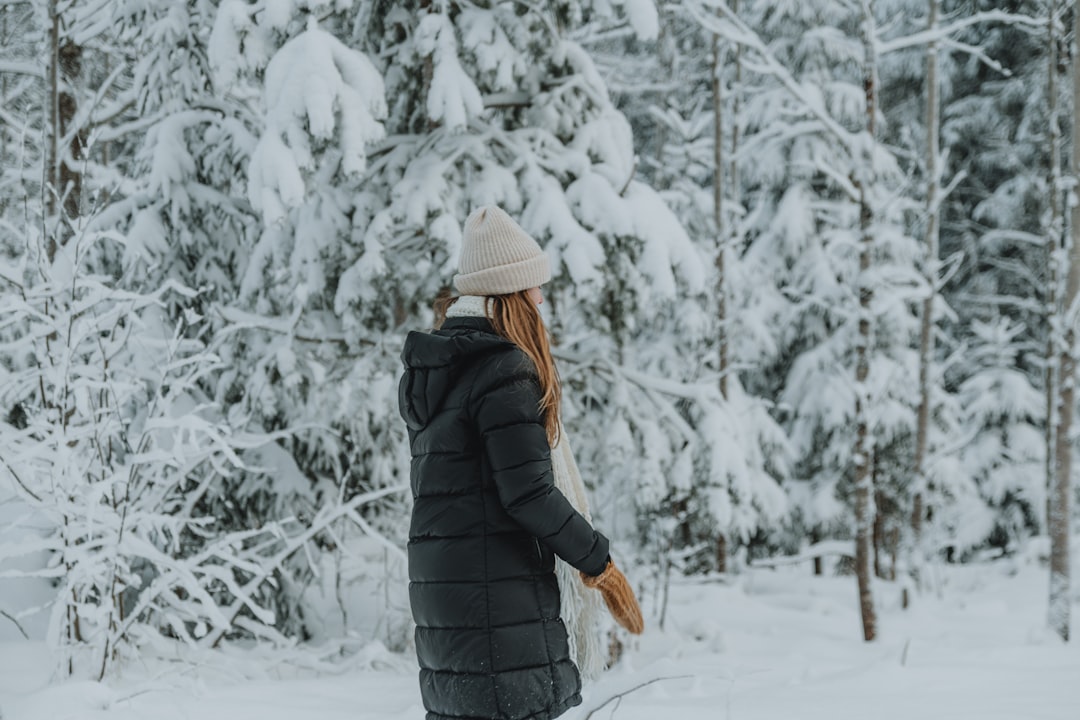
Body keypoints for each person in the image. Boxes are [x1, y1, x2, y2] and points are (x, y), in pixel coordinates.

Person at [398, 206, 643, 720]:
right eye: (534, 288)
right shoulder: (503, 369)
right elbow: (529, 493)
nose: (541, 299)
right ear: (510, 295)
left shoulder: (441, 372)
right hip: (496, 610)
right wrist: (600, 564)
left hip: (450, 608)